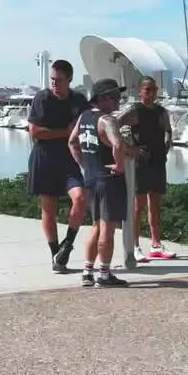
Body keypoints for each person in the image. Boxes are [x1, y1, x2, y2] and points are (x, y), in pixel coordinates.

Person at [27, 59, 90, 272]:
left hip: (70, 159)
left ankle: (68, 244)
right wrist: (67, 131)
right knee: (49, 210)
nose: (54, 84)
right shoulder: (42, 98)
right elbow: (34, 132)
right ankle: (56, 256)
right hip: (44, 158)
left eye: (59, 80)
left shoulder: (79, 100)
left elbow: (88, 125)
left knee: (80, 198)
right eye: (52, 79)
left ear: (69, 80)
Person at [68, 79, 130, 287]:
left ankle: (87, 271)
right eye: (114, 97)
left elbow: (72, 141)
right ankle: (104, 274)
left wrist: (84, 165)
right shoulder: (106, 120)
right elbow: (118, 144)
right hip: (108, 179)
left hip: (91, 178)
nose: (117, 101)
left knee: (95, 225)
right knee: (107, 228)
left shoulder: (84, 117)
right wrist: (119, 166)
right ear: (102, 98)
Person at [121, 76, 177, 261]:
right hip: (141, 162)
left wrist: (168, 144)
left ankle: (156, 244)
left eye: (154, 89)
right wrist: (130, 147)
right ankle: (135, 246)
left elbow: (168, 130)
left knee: (156, 204)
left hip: (158, 161)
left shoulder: (161, 111)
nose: (151, 93)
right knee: (138, 206)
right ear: (140, 91)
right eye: (147, 89)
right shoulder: (135, 111)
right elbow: (115, 125)